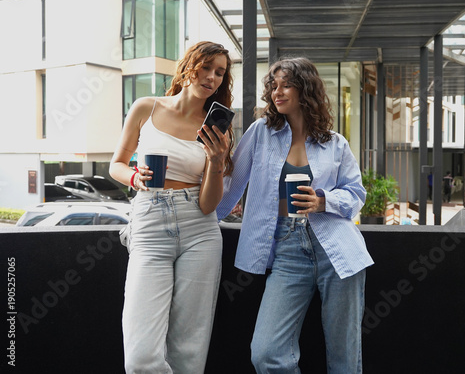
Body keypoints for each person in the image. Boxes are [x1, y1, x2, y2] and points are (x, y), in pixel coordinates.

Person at [217, 57, 374, 373]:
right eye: (274, 86)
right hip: (288, 250)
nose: (278, 92)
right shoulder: (261, 132)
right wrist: (202, 215)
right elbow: (231, 182)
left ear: (306, 89)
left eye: (286, 84)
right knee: (266, 353)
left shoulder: (334, 143)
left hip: (338, 248)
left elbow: (357, 195)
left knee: (345, 358)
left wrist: (322, 200)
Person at [109, 41, 234, 373]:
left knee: (187, 351)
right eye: (206, 67)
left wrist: (217, 160)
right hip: (150, 223)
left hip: (199, 231)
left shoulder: (216, 128)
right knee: (140, 356)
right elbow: (117, 165)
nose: (211, 77)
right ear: (188, 66)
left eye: (219, 72)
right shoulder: (145, 108)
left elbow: (209, 204)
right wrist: (135, 178)